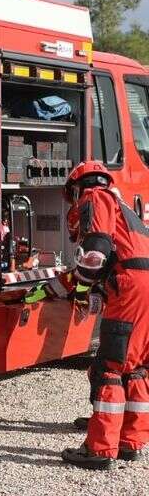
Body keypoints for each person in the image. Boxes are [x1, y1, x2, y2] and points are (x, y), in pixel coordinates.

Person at [57, 161, 149, 468]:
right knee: (135, 367)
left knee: (108, 368)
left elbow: (96, 253)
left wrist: (72, 285)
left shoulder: (95, 197)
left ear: (77, 187)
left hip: (129, 285)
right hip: (143, 285)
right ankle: (130, 441)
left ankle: (99, 450)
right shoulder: (125, 207)